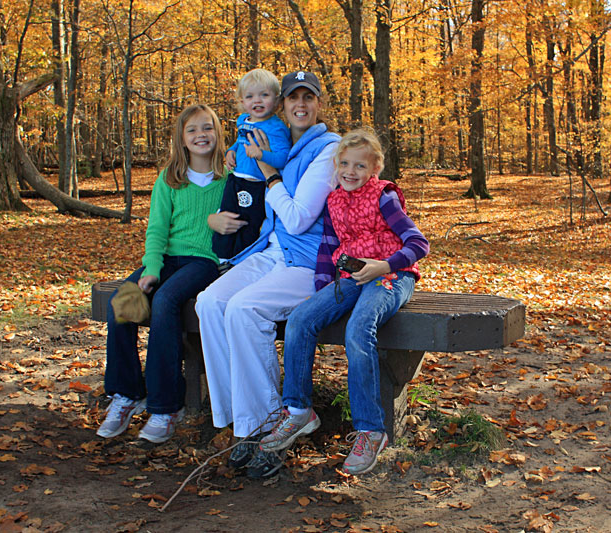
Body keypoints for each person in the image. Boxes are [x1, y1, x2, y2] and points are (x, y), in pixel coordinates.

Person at [258, 128, 429, 475]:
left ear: (375, 169)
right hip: (350, 276)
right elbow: (326, 248)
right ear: (336, 166)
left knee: (358, 327)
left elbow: (418, 243)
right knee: (302, 319)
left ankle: (370, 429)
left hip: (391, 276)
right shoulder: (334, 200)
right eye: (345, 164)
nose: (351, 172)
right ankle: (298, 410)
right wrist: (322, 288)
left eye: (360, 166)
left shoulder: (384, 197)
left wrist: (386, 264)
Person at [195, 71, 340, 479]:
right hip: (271, 250)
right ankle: (241, 422)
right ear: (283, 104)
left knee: (244, 309)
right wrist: (237, 156)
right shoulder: (283, 139)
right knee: (210, 302)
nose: (299, 105)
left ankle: (268, 424)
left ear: (318, 104)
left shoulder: (326, 150)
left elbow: (296, 218)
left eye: (307, 98)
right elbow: (253, 172)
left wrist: (268, 172)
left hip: (307, 262)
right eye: (293, 98)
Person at [96, 104, 228, 444]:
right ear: (182, 139)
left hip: (204, 261)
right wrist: (151, 268)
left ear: (217, 134)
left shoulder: (229, 176)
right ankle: (127, 393)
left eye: (207, 128)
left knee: (166, 302)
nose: (201, 135)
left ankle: (166, 405)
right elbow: (156, 231)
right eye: (193, 130)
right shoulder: (169, 178)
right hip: (167, 258)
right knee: (122, 301)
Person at [213, 68, 292, 260]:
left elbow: (283, 157)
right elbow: (240, 141)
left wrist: (262, 155)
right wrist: (231, 151)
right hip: (235, 179)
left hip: (256, 184)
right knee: (227, 215)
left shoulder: (276, 128)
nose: (257, 101)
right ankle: (222, 258)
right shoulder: (243, 121)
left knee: (248, 223)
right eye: (250, 96)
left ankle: (243, 258)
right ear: (242, 101)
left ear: (276, 99)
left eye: (264, 95)